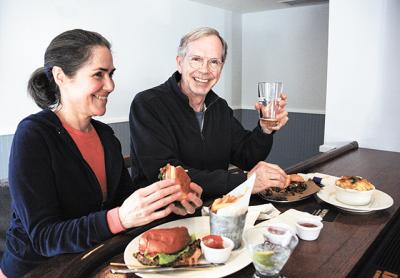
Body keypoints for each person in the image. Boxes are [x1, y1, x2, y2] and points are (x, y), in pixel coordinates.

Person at [0, 29, 202, 278]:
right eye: (99, 74)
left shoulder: (106, 137)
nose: (110, 85)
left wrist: (167, 203)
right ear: (60, 76)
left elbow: (124, 202)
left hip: (92, 257)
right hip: (37, 270)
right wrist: (120, 218)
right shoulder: (33, 135)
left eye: (111, 74)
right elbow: (45, 238)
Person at [129, 27, 289, 200]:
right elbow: (169, 176)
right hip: (163, 214)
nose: (205, 70)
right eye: (196, 59)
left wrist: (264, 129)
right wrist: (244, 181)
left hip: (214, 208)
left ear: (221, 67)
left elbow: (247, 157)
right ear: (179, 63)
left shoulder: (219, 107)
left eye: (214, 62)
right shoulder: (147, 104)